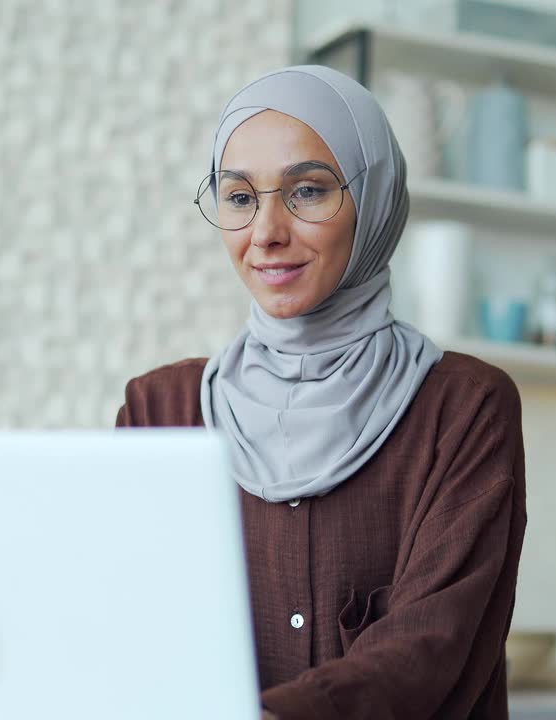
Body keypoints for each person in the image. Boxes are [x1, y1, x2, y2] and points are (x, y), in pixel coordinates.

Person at [115, 65, 527, 720]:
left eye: (307, 191)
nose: (267, 231)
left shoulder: (464, 408)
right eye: (240, 197)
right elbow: (126, 622)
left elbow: (429, 646)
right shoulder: (159, 411)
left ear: (376, 198)